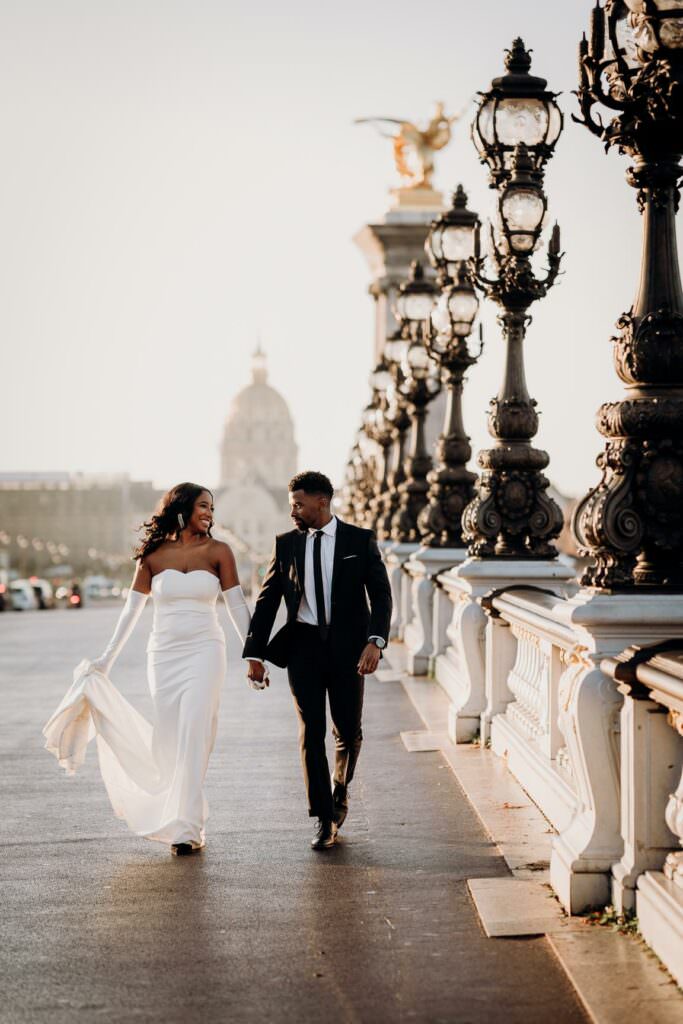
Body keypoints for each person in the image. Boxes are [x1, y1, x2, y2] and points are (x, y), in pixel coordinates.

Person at [43, 482, 262, 855]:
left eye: (212, 507)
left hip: (206, 650)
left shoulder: (220, 552)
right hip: (163, 656)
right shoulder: (154, 555)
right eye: (203, 506)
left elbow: (237, 605)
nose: (209, 513)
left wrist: (253, 653)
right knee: (169, 739)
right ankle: (180, 812)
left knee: (195, 729)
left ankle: (187, 828)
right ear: (182, 509)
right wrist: (105, 661)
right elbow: (131, 612)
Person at [243, 470, 392, 850]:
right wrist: (254, 654)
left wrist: (375, 642)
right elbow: (267, 600)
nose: (292, 510)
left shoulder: (359, 540)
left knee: (348, 731)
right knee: (311, 731)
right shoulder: (286, 544)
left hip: (348, 649)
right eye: (291, 504)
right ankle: (324, 818)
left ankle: (340, 790)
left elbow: (381, 594)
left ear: (321, 501)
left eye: (298, 503)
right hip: (303, 648)